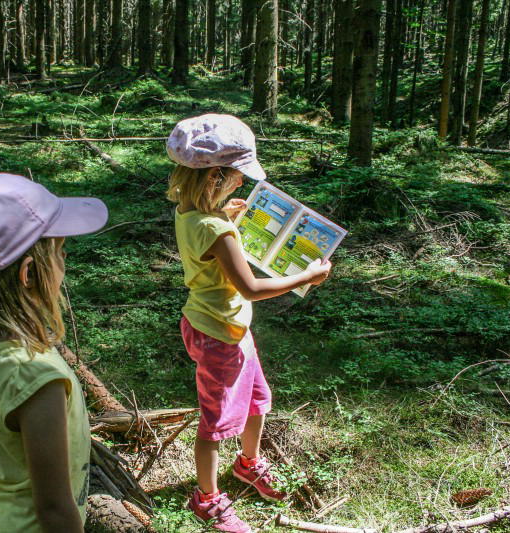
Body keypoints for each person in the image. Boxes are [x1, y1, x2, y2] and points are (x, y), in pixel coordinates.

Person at [166, 114, 332, 532]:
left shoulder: (189, 211)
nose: (242, 182)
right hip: (218, 333)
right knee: (215, 421)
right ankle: (207, 499)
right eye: (237, 176)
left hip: (227, 327)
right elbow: (252, 287)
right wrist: (307, 277)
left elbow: (206, 233)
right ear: (214, 178)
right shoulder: (215, 229)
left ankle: (248, 463)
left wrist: (225, 213)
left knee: (257, 399)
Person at [0, 173, 108, 533]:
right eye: (58, 251)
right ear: (29, 274)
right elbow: (54, 510)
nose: (64, 259)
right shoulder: (34, 373)